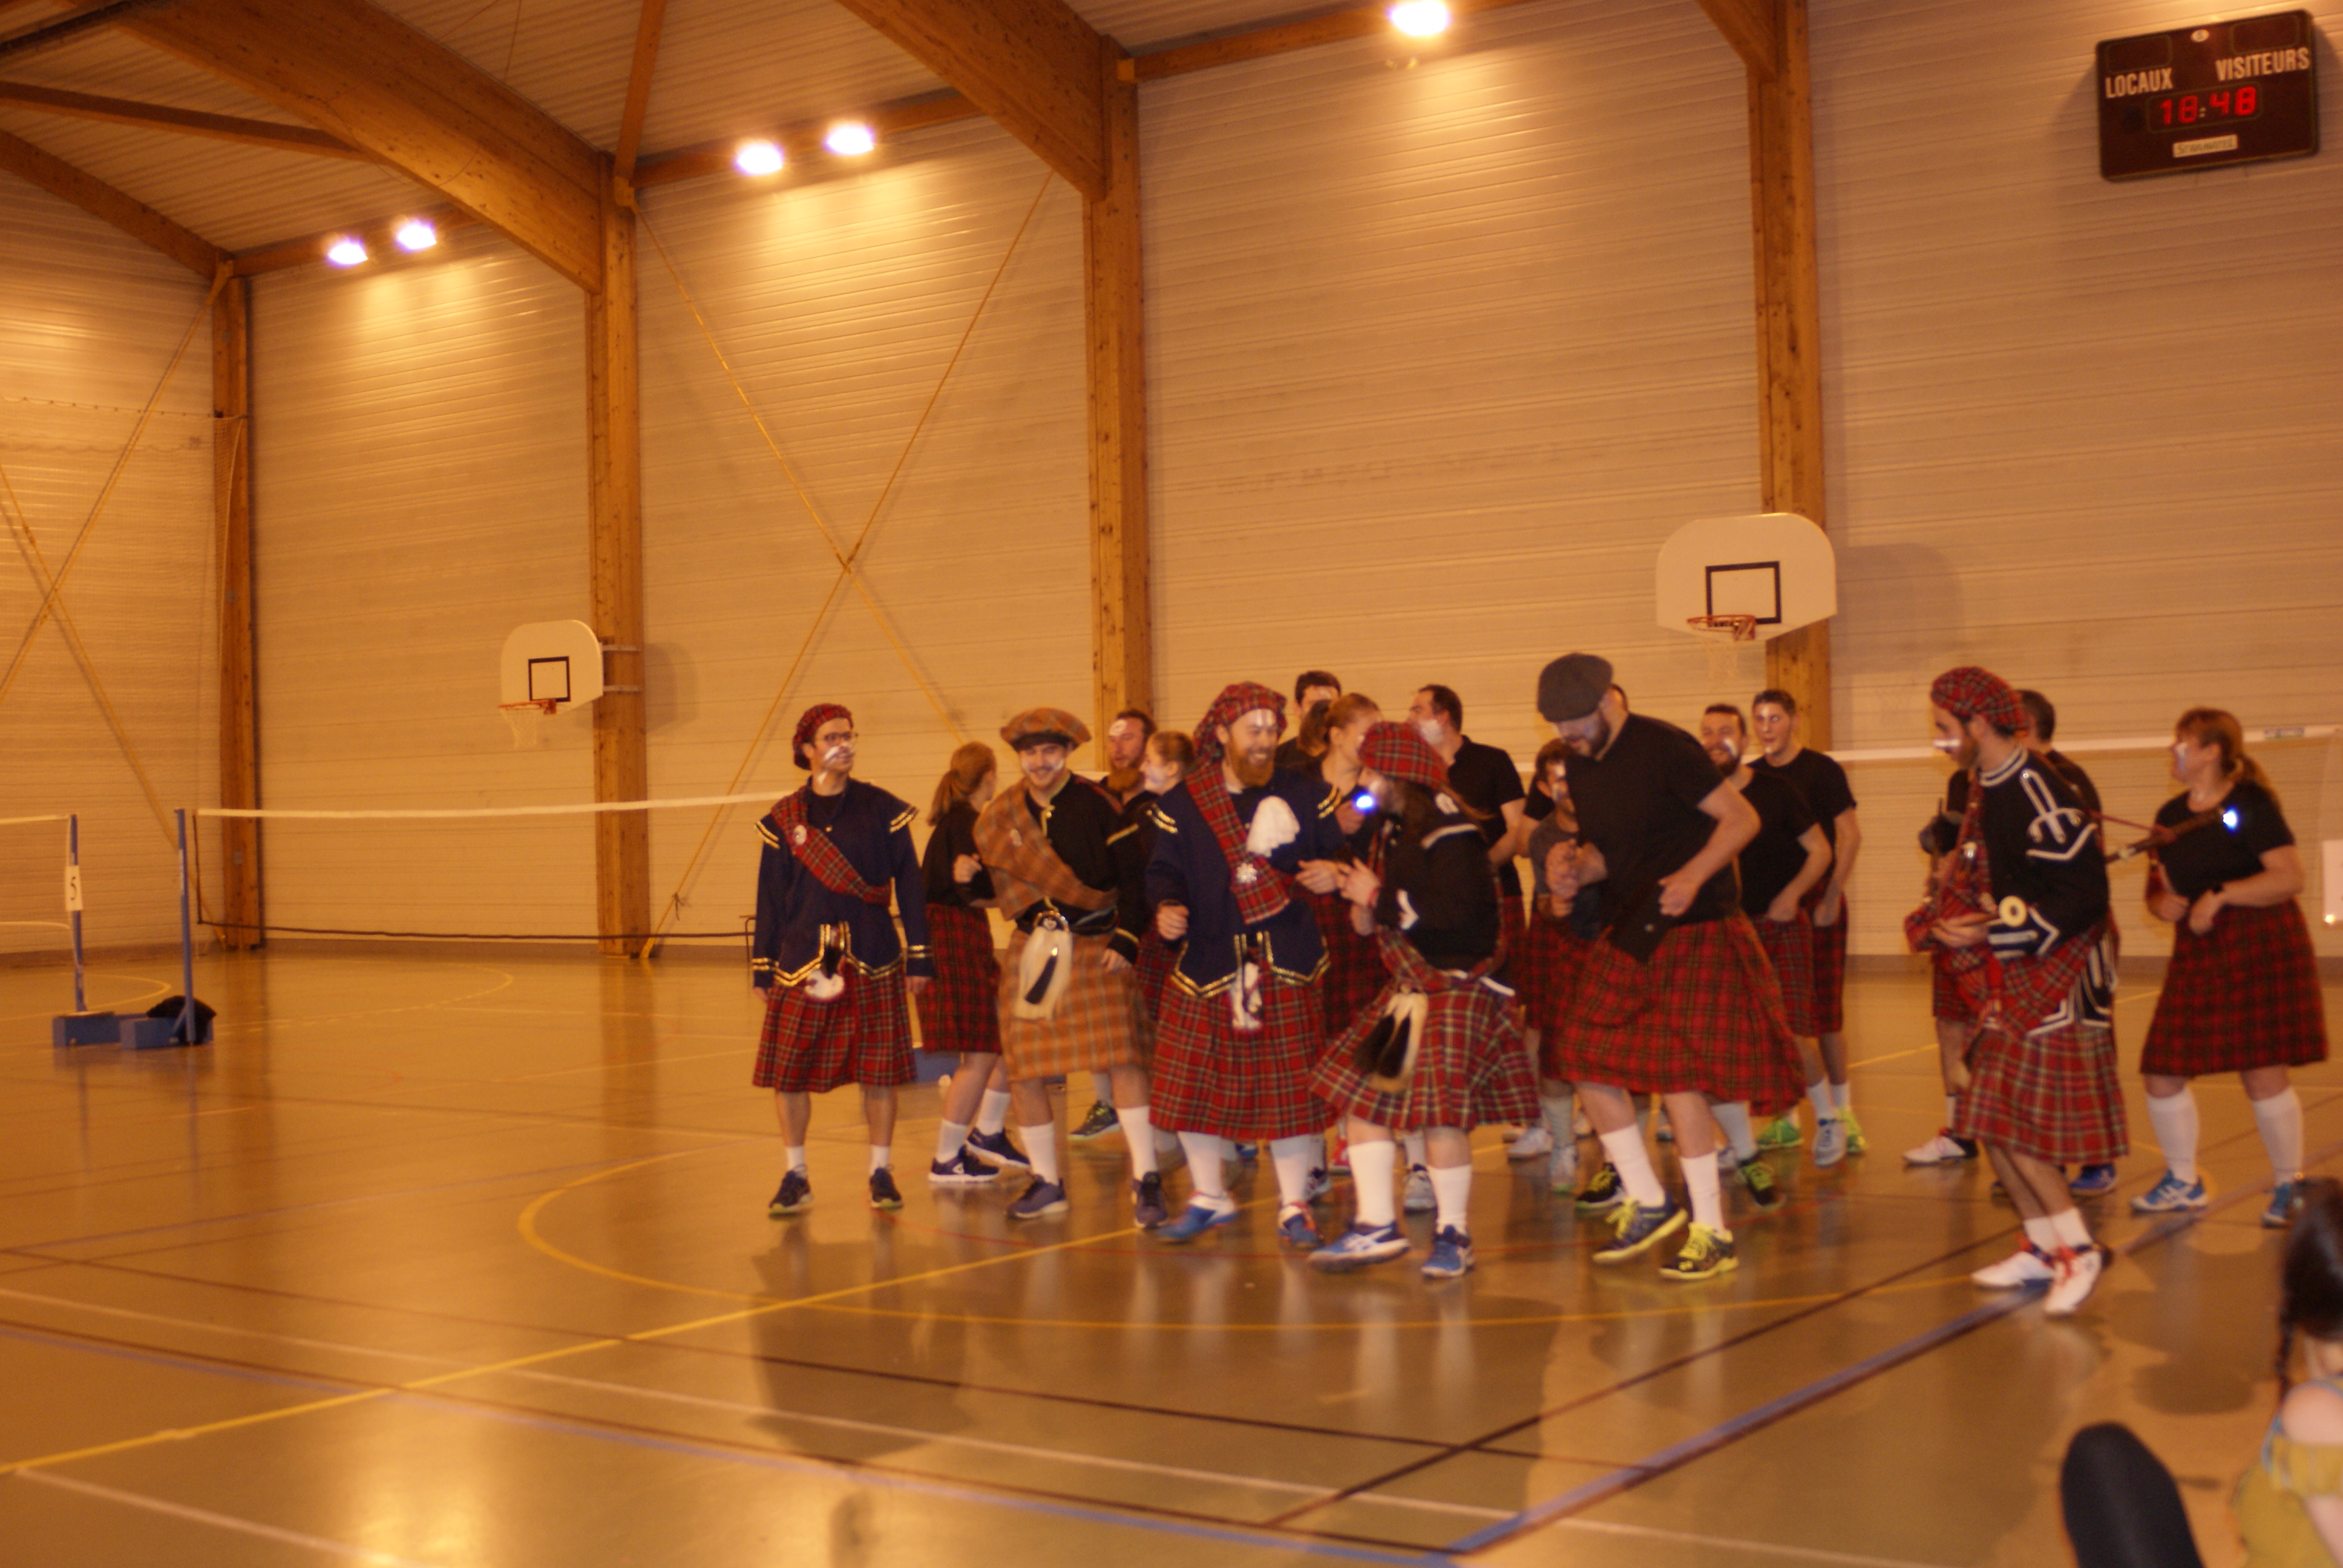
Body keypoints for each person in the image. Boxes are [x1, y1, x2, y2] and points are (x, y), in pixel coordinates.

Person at [1536, 655, 1804, 1282]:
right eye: (1558, 726)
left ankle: (1712, 1232)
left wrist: (1692, 874)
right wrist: (1572, 870)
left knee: (1681, 1079)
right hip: (1635, 923)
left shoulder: (1665, 748)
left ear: (1608, 700)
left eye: (1576, 722)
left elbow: (1742, 819)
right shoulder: (1581, 765)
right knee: (1578, 1051)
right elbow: (1611, 854)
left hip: (1697, 922)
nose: (1568, 737)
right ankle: (1648, 1199)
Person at [1909, 666, 2121, 1317]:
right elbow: (2009, 881)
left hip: (2063, 972)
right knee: (1985, 1117)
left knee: (2011, 1121)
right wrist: (1966, 914)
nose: (1940, 740)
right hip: (2023, 963)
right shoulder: (1987, 781)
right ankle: (2040, 1246)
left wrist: (1993, 932)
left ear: (1978, 724)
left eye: (1945, 728)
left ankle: (2078, 1250)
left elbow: (2085, 898)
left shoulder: (2037, 790)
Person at [1308, 722, 1540, 1278]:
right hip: (1415, 984)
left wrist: (1378, 898)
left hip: (1457, 983)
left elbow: (1458, 917)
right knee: (1362, 1097)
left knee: (1440, 1118)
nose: (1363, 781)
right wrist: (1364, 900)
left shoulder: (1450, 830)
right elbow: (1396, 903)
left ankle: (1454, 1234)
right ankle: (1375, 1226)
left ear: (1399, 774)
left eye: (1372, 771)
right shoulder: (1397, 826)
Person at [1146, 681, 1348, 1246]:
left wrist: (1335, 872)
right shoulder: (1182, 803)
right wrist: (1166, 907)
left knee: (1289, 1091)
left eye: (1271, 730)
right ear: (1222, 733)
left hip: (1285, 960)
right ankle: (1209, 1196)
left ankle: (1293, 1204)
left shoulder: (1306, 793)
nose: (1264, 740)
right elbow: (1162, 871)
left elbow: (1343, 853)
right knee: (1192, 1087)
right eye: (1252, 730)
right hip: (1209, 960)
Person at [2131, 708, 2327, 1228]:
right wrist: (2161, 903)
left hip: (2259, 943)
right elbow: (2159, 886)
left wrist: (2220, 894)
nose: (2172, 749)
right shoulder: (2170, 814)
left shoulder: (2251, 805)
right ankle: (2183, 1181)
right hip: (2199, 950)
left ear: (2211, 751)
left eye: (2182, 742)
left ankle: (2289, 1185)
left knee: (2263, 1073)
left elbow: (2288, 878)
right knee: (2161, 1070)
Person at [974, 707, 1161, 1224]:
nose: (1040, 762)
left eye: (1050, 752)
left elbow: (1135, 877)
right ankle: (1047, 1182)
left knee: (1124, 1060)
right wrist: (970, 880)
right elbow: (996, 887)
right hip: (1035, 950)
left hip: (1096, 943)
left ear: (1067, 754)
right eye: (1031, 753)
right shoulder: (1002, 814)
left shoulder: (1098, 805)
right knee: (1025, 1068)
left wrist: (1127, 939)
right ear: (1020, 758)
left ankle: (1146, 1178)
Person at [752, 704, 932, 1217]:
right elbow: (770, 898)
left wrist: (920, 957)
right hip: (803, 961)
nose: (843, 744)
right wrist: (763, 965)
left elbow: (910, 887)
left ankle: (881, 1172)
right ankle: (796, 1175)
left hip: (874, 955)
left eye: (848, 735)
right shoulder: (784, 818)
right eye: (831, 737)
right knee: (789, 1075)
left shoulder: (883, 808)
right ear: (807, 749)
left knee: (879, 1073)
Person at [1698, 704, 1830, 1204]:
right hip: (1726, 931)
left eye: (1725, 732)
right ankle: (1741, 1147)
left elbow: (1821, 850)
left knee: (1795, 1033)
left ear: (1745, 739)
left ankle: (1830, 1121)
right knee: (1725, 1045)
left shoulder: (1777, 790)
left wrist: (1792, 895)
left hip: (1778, 926)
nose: (1716, 740)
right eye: (1707, 732)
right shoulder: (1697, 798)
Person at [1407, 683, 1538, 1161]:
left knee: (1508, 1006)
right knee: (1443, 1009)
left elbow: (1519, 831)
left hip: (1496, 899)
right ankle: (1441, 1109)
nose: (1410, 716)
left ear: (1443, 716)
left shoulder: (1492, 761)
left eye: (1418, 708)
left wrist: (1476, 870)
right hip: (1438, 913)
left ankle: (1528, 1115)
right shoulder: (1417, 770)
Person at [1749, 688, 1864, 1157]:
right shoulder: (1751, 777)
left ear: (1795, 721)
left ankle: (1845, 1115)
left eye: (1775, 718)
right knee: (1779, 1017)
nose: (1767, 727)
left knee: (1825, 1014)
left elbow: (1849, 835)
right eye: (1760, 719)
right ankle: (1787, 1118)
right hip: (1768, 908)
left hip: (1816, 898)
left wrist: (1831, 894)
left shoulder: (1822, 770)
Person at [917, 742, 1022, 1185]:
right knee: (981, 1052)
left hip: (961, 933)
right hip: (952, 936)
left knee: (1010, 1035)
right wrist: (1024, 894)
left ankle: (988, 1132)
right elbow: (972, 893)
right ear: (990, 776)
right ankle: (946, 1157)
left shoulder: (962, 822)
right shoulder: (965, 824)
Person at [1072, 707, 1158, 1145]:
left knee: (1152, 1023)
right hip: (1105, 924)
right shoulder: (1096, 799)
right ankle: (1107, 1103)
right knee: (1101, 1022)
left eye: (1129, 738)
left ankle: (1165, 1108)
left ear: (1148, 745)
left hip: (1157, 925)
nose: (1119, 747)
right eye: (1113, 738)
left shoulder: (1161, 799)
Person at [1519, 740, 1601, 1196]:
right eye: (1559, 780)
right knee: (1552, 1049)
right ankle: (1563, 1145)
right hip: (1561, 943)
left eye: (1575, 776)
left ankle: (1621, 1162)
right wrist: (1555, 907)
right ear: (1545, 787)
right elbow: (1545, 904)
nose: (1569, 788)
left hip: (1610, 941)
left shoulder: (1610, 820)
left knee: (1619, 1056)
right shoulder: (1542, 837)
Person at [1276, 671, 1342, 771]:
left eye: (1329, 704)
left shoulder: (1351, 756)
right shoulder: (1279, 760)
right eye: (1314, 704)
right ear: (1297, 708)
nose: (1322, 710)